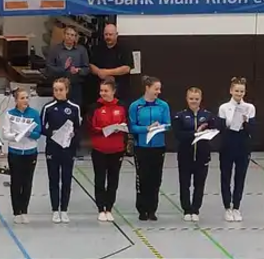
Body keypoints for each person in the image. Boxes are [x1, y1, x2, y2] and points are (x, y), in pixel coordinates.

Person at [127, 76, 171, 221]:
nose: (159, 92)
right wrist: (147, 128)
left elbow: (168, 124)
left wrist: (160, 127)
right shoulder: (136, 106)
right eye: (156, 89)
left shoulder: (163, 105)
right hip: (142, 147)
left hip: (158, 146)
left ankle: (152, 209)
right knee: (142, 178)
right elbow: (132, 126)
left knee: (155, 178)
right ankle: (142, 209)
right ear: (147, 88)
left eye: (159, 89)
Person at [41, 78, 83, 223]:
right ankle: (55, 210)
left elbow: (78, 128)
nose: (58, 92)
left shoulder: (74, 108)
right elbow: (41, 127)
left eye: (61, 90)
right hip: (52, 148)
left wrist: (73, 136)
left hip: (68, 149)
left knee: (66, 179)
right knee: (53, 179)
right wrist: (51, 133)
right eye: (55, 90)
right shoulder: (48, 107)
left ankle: (64, 210)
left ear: (67, 90)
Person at [217, 76, 256, 222]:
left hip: (243, 144)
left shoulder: (250, 108)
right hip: (228, 143)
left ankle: (237, 207)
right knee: (226, 176)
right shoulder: (224, 107)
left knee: (240, 176)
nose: (239, 94)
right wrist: (230, 123)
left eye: (242, 91)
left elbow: (252, 129)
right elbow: (220, 128)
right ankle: (227, 207)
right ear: (231, 91)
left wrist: (245, 122)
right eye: (237, 91)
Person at [89, 78, 128, 221]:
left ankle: (109, 208)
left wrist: (121, 128)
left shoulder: (122, 106)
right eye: (101, 91)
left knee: (113, 180)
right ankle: (100, 208)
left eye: (106, 91)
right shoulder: (95, 107)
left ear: (113, 91)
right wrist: (103, 129)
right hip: (99, 149)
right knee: (100, 179)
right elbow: (90, 127)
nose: (103, 93)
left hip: (117, 149)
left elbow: (127, 124)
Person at [0, 87, 41, 223]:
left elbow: (38, 133)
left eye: (27, 98)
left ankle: (24, 210)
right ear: (16, 100)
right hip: (15, 152)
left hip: (30, 152)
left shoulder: (34, 113)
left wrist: (28, 133)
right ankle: (17, 211)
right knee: (16, 182)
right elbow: (5, 134)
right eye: (22, 98)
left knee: (27, 182)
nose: (25, 100)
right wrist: (17, 135)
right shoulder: (10, 114)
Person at [173, 87, 214, 222]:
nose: (194, 101)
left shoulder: (207, 116)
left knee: (199, 184)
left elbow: (213, 131)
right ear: (186, 99)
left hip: (202, 156)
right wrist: (195, 133)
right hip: (185, 156)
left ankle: (195, 209)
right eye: (191, 99)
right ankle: (186, 209)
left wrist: (206, 133)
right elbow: (179, 135)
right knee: (185, 184)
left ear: (201, 99)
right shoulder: (180, 116)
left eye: (196, 99)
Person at [45, 25, 90, 108]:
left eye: (72, 35)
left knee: (75, 109)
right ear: (64, 35)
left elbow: (87, 69)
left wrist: (78, 70)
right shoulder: (55, 50)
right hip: (59, 87)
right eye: (67, 34)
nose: (69, 37)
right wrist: (63, 68)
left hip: (76, 87)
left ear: (76, 37)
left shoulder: (82, 50)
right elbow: (49, 68)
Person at [88, 23, 133, 103]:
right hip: (100, 91)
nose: (108, 37)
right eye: (106, 34)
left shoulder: (125, 48)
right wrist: (99, 72)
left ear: (116, 35)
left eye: (110, 34)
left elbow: (127, 68)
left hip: (120, 91)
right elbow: (90, 65)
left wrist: (107, 73)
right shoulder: (97, 48)